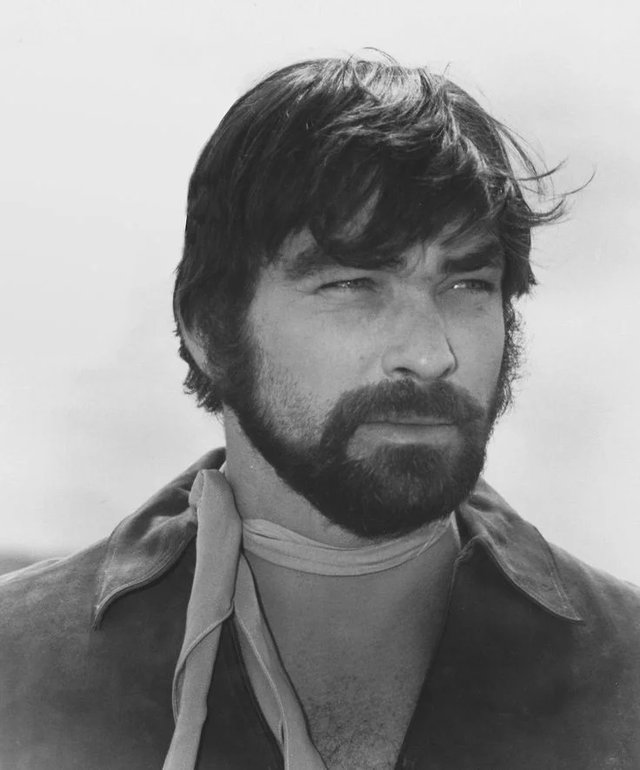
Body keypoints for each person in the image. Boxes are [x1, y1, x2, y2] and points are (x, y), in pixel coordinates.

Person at [1, 53, 639, 770]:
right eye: (353, 284)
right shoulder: (19, 670)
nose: (430, 354)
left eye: (466, 285)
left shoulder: (626, 671)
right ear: (209, 329)